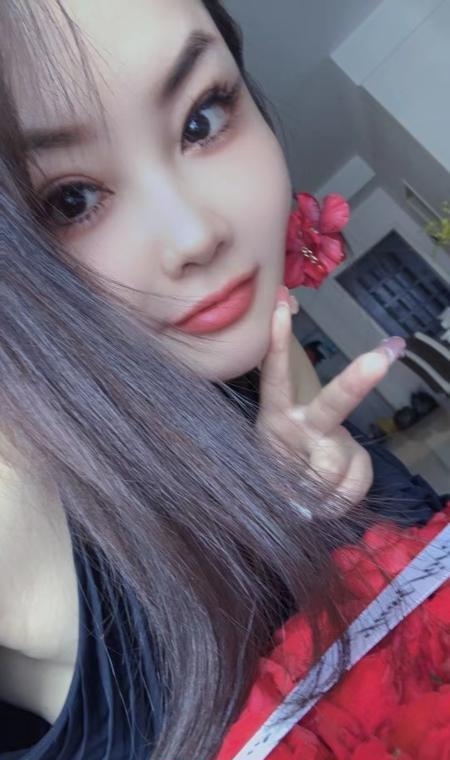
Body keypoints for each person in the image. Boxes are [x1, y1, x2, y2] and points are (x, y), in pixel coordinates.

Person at [0, 2, 447, 759]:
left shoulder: (256, 348)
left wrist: (309, 501)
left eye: (202, 118)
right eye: (69, 201)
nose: (196, 233)